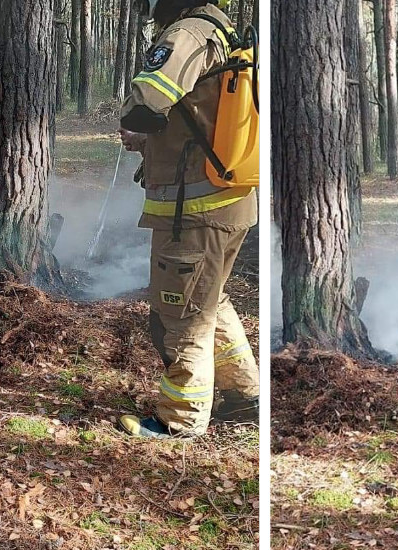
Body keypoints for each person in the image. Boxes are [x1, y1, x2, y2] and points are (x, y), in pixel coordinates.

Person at [115, 0, 259, 438]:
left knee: (180, 314)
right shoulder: (220, 28)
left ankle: (179, 420)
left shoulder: (188, 33)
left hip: (193, 211)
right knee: (209, 301)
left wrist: (135, 126)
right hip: (224, 202)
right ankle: (244, 394)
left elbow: (147, 102)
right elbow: (197, 113)